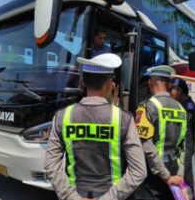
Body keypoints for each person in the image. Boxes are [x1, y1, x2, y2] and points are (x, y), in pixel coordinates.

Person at [45, 53, 147, 200]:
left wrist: (72, 197)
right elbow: (139, 171)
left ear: (83, 82)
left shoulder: (62, 116)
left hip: (75, 193)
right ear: (109, 84)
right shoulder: (124, 119)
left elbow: (51, 165)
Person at [134, 65, 187, 200]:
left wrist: (166, 176)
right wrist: (179, 174)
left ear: (150, 82)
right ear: (168, 84)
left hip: (154, 175)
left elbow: (146, 147)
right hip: (174, 170)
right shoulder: (181, 109)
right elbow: (185, 146)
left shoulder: (147, 106)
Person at [169, 78, 195, 187]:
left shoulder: (187, 109)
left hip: (188, 155)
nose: (169, 93)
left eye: (171, 89)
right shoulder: (186, 106)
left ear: (179, 91)